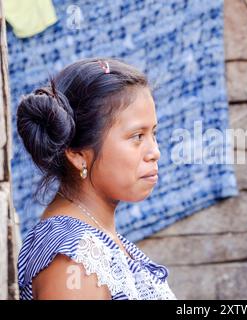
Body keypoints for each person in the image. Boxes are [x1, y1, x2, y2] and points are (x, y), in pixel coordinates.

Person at [16, 58, 176, 300]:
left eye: (153, 133)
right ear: (77, 154)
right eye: (137, 136)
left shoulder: (98, 241)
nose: (155, 151)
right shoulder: (72, 260)